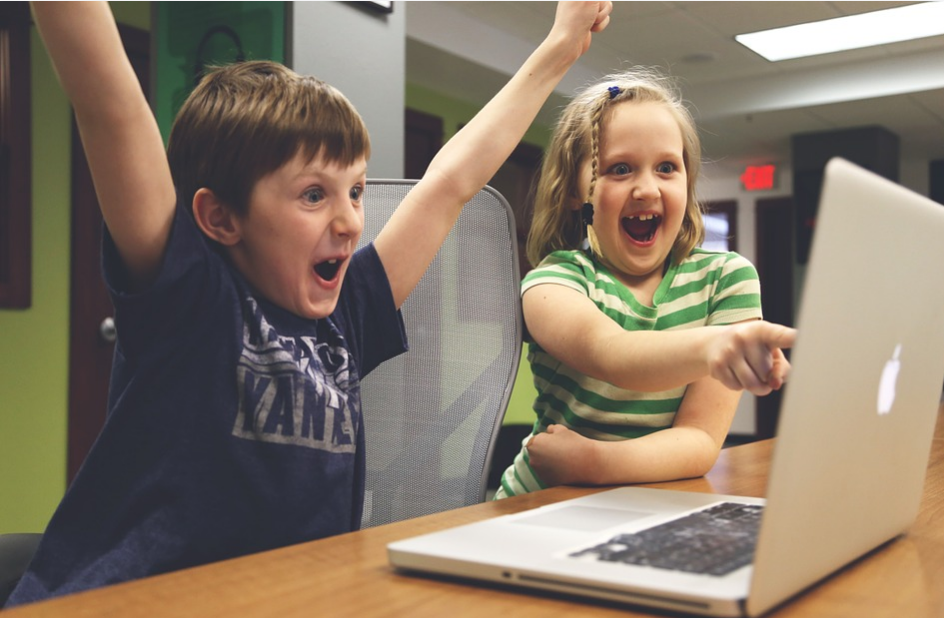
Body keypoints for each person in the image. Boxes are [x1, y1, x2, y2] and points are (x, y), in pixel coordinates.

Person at [8, 1, 614, 606]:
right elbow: (109, 109)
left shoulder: (346, 315)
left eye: (354, 190)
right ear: (219, 217)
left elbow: (450, 184)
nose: (352, 221)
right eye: (313, 195)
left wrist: (560, 45)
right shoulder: (189, 297)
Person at [494, 67, 796, 499]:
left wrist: (595, 464)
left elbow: (700, 441)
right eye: (620, 169)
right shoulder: (552, 283)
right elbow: (614, 355)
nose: (647, 189)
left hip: (648, 505)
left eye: (667, 168)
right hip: (541, 503)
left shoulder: (727, 279)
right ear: (575, 192)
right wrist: (715, 346)